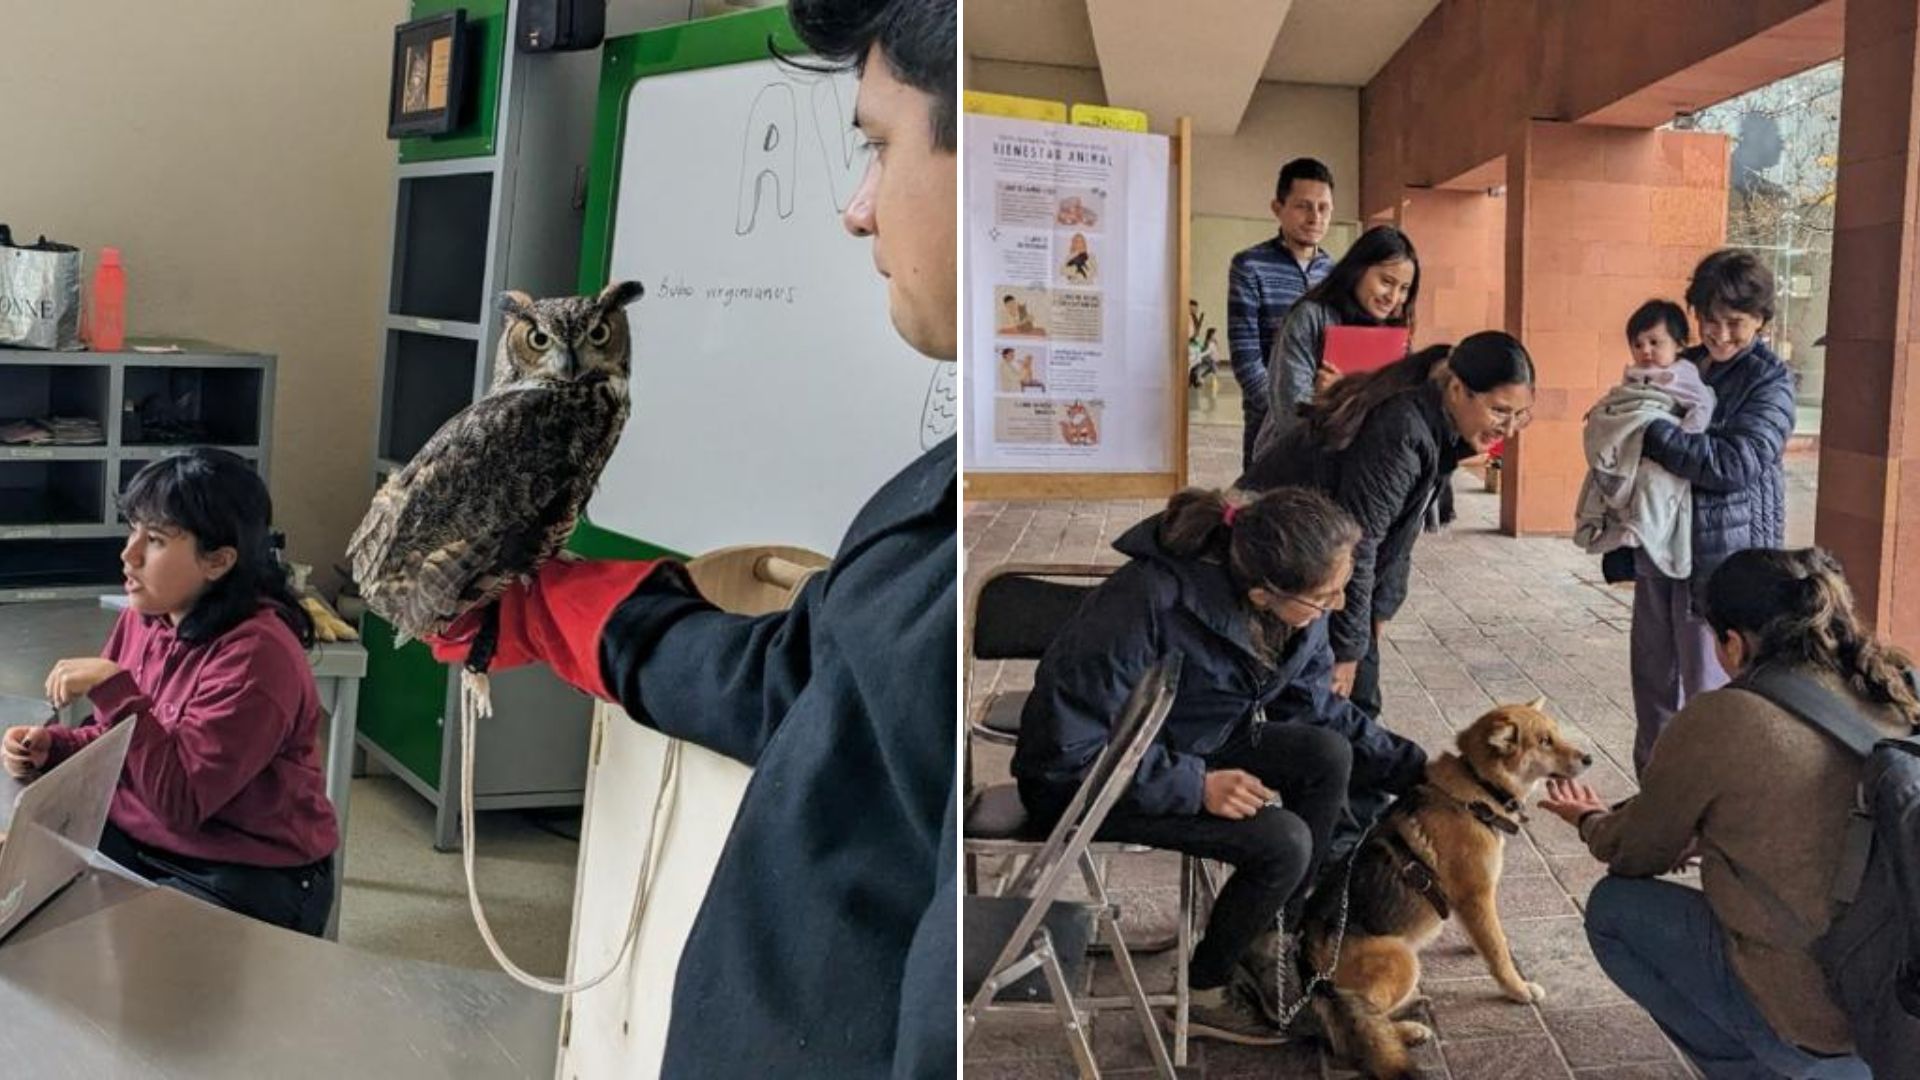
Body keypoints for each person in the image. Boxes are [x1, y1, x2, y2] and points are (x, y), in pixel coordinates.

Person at [424, 1, 956, 1075]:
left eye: (879, 145)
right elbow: (807, 689)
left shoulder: (963, 538)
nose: (858, 212)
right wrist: (571, 609)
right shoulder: (942, 495)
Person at [1013, 486, 1425, 1044]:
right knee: (1284, 841)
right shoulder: (1145, 601)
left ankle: (1270, 938)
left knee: (1327, 754)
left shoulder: (1293, 606)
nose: (1337, 605)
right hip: (1086, 783)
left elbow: (1318, 707)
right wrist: (1194, 786)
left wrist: (1417, 772)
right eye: (1326, 597)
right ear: (1261, 595)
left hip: (1186, 738)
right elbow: (1067, 748)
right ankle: (1207, 990)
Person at [1540, 547, 1913, 1079]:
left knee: (1615, 909)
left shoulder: (1728, 714)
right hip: (1900, 1007)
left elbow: (1637, 850)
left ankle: (1760, 1068)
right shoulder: (1895, 685)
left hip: (1817, 1024)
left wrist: (1590, 820)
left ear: (1733, 643)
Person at [5, 450, 337, 936]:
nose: (129, 553)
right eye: (133, 529)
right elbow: (117, 738)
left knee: (126, 975)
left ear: (219, 561)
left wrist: (114, 689)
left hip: (241, 871)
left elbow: (180, 804)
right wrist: (54, 746)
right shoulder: (146, 616)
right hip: (141, 840)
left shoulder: (257, 657)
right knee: (21, 906)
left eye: (155, 540)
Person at [1240, 332, 1535, 725]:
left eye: (1521, 415)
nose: (1509, 429)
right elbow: (1359, 543)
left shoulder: (1436, 423)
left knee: (1343, 712)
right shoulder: (1404, 430)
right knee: (1336, 711)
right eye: (1500, 411)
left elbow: (1400, 533)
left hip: (1315, 564)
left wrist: (1380, 610)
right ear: (1458, 389)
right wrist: (1348, 650)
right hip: (1283, 561)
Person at [1626, 249, 1795, 775]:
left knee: (1707, 692)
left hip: (1723, 564)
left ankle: (1706, 812)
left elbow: (1733, 463)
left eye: (1735, 323)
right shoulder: (1684, 365)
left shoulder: (1770, 383)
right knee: (1653, 683)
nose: (1719, 334)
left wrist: (1652, 434)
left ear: (1762, 321)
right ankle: (1656, 800)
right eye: (1709, 319)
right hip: (1662, 550)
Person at [1250, 223, 1420, 461]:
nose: (1393, 298)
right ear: (1358, 269)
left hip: (1364, 464)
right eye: (1386, 281)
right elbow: (1292, 415)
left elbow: (1403, 414)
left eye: (1404, 288)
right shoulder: (1309, 317)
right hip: (1294, 463)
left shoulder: (1397, 334)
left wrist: (1343, 396)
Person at [1575, 299, 1716, 580]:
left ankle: (1640, 528)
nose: (1646, 351)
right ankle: (1596, 522)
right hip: (1635, 446)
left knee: (1653, 483)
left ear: (1678, 344)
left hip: (1663, 451)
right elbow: (1625, 401)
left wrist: (1682, 437)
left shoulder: (1680, 374)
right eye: (1638, 344)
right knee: (1603, 477)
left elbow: (1703, 404)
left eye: (1655, 342)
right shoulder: (1635, 374)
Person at [1227, 157, 1336, 467]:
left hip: (1323, 417)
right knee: (1259, 505)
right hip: (1266, 418)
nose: (1315, 217)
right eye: (1303, 206)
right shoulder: (1249, 266)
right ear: (1278, 208)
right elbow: (1245, 356)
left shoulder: (1337, 273)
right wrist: (1284, 412)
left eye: (1323, 208)